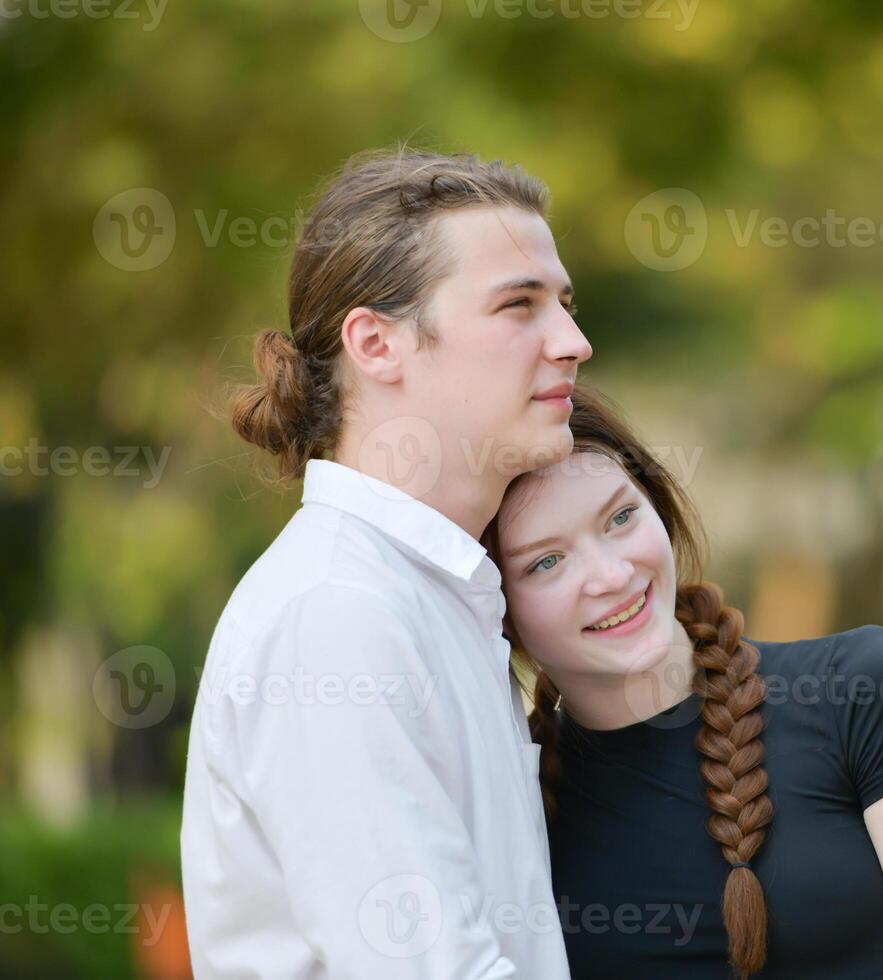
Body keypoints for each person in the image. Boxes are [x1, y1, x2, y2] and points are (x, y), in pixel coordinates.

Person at [180, 147, 592, 978]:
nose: (574, 342)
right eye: (519, 306)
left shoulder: (433, 596)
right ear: (376, 343)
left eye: (565, 303)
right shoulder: (338, 613)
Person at [483, 386, 883, 979]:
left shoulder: (861, 688)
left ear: (659, 509)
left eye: (620, 517)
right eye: (546, 562)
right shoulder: (511, 801)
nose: (611, 575)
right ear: (498, 608)